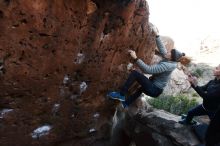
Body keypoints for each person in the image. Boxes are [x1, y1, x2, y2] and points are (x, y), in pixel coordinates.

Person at [107, 25, 191, 108]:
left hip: (155, 90)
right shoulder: (170, 59)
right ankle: (126, 103)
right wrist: (157, 35)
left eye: (169, 53)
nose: (167, 52)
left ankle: (121, 95)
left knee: (135, 74)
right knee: (142, 88)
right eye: (169, 52)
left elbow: (148, 70)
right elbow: (162, 49)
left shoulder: (167, 65)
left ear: (171, 58)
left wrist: (135, 58)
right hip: (154, 88)